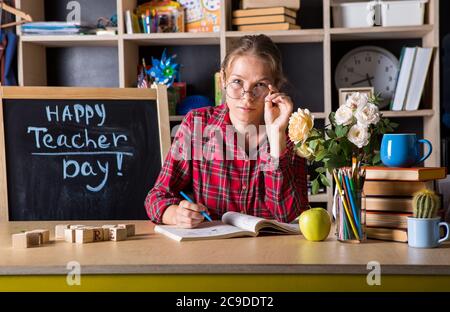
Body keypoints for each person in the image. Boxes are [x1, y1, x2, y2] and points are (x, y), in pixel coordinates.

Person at [145, 34, 308, 228]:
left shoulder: (291, 133)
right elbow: (157, 197)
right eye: (238, 82)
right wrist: (174, 215)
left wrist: (276, 138)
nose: (247, 97)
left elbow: (288, 216)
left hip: (270, 252)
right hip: (213, 249)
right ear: (223, 79)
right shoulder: (197, 124)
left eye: (260, 85)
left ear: (276, 88)